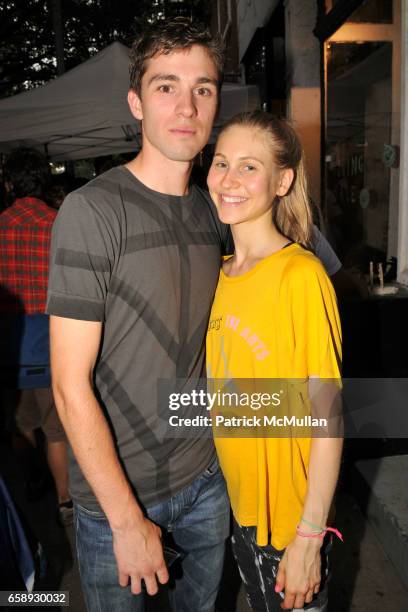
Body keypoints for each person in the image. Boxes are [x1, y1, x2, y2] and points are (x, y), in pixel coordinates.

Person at [47, 18, 342, 612]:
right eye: (165, 86)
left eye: (203, 88)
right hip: (119, 503)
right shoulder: (92, 210)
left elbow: (295, 373)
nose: (186, 106)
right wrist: (127, 521)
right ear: (135, 102)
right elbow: (67, 384)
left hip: (210, 487)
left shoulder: (219, 214)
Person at [206, 111, 343, 611]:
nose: (228, 180)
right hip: (239, 509)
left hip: (288, 522)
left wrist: (309, 538)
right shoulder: (218, 274)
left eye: (249, 167)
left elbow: (328, 415)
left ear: (282, 180)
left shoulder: (299, 277)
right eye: (221, 163)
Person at [0, 148, 72, 526]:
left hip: (10, 347)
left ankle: (32, 482)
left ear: (9, 184)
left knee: (21, 424)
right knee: (56, 430)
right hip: (55, 344)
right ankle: (64, 498)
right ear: (44, 181)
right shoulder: (59, 224)